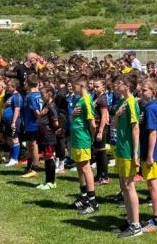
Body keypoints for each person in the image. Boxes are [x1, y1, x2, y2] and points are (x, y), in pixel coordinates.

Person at [113, 74, 141, 238]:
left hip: (128, 150)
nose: (115, 86)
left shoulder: (131, 103)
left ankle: (136, 225)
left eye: (118, 83)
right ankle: (130, 221)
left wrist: (135, 153)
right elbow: (115, 125)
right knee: (124, 186)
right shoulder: (121, 102)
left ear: (127, 85)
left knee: (129, 186)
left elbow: (135, 128)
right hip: (121, 149)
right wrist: (117, 115)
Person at [139, 79, 157, 233]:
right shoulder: (154, 106)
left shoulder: (150, 108)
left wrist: (149, 155)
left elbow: (153, 133)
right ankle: (155, 218)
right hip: (154, 152)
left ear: (153, 92)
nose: (141, 92)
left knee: (152, 185)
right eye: (141, 89)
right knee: (152, 184)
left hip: (151, 153)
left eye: (145, 90)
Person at [70, 75, 97, 214]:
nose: (72, 89)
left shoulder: (87, 100)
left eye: (74, 86)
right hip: (76, 138)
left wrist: (92, 137)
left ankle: (93, 201)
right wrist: (72, 114)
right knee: (80, 167)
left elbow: (92, 123)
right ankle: (84, 196)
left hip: (82, 138)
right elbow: (74, 117)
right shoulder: (79, 99)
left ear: (81, 86)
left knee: (86, 168)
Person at [36, 86, 60, 190]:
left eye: (42, 94)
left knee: (49, 157)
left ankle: (51, 181)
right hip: (43, 134)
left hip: (49, 135)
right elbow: (39, 117)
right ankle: (47, 180)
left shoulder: (52, 106)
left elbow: (56, 122)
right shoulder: (46, 105)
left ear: (49, 94)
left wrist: (55, 129)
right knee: (46, 157)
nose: (41, 97)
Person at [21, 74, 42, 178]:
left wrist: (40, 120)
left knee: (33, 145)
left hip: (33, 124)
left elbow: (36, 112)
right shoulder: (40, 94)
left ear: (28, 84)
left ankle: (35, 167)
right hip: (31, 124)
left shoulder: (30, 97)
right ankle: (29, 166)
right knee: (30, 145)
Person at [92, 77, 110, 185]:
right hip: (96, 126)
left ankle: (105, 176)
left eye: (97, 86)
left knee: (102, 151)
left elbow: (104, 116)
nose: (95, 88)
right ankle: (99, 175)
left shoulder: (103, 99)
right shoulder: (96, 96)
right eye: (94, 86)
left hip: (101, 127)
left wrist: (100, 131)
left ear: (103, 87)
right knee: (97, 151)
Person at [2, 79, 23, 167]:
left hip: (14, 121)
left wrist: (14, 122)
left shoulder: (17, 96)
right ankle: (11, 157)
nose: (7, 87)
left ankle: (14, 159)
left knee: (15, 139)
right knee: (10, 139)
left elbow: (17, 109)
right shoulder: (11, 96)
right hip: (8, 121)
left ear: (14, 87)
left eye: (9, 86)